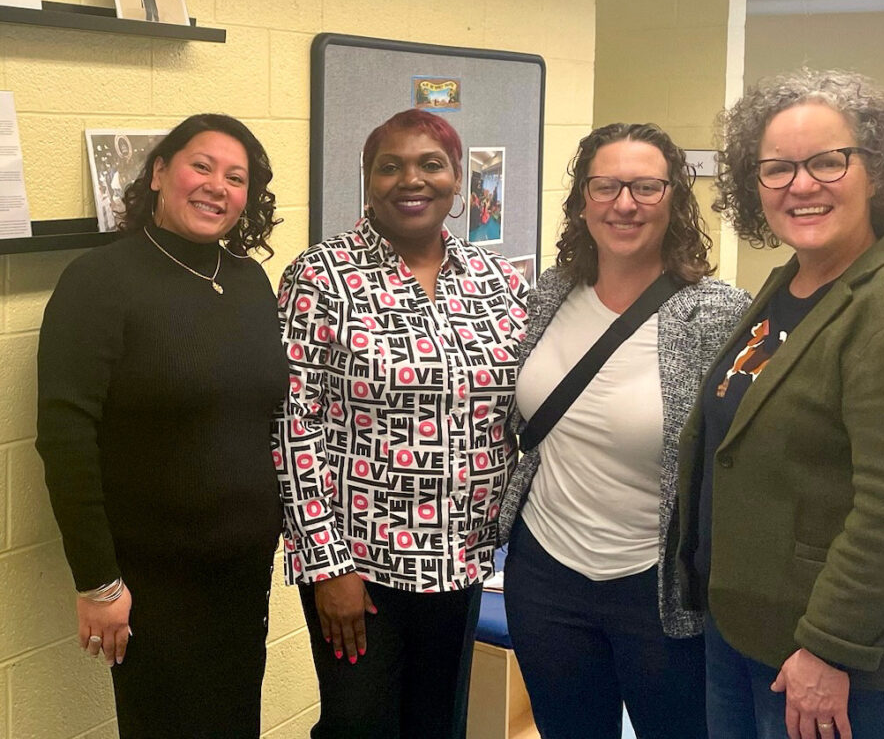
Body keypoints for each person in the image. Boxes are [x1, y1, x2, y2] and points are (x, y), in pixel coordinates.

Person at [677, 68, 884, 739]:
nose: (801, 185)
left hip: (853, 669)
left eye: (827, 162)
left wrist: (830, 646)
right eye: (777, 168)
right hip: (752, 639)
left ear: (878, 170)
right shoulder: (789, 289)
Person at [274, 108, 529, 739]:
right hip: (360, 566)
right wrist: (324, 564)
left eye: (430, 164)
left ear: (459, 179)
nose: (410, 180)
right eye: (390, 166)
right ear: (367, 179)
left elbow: (521, 408)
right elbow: (290, 424)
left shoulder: (497, 280)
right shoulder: (322, 276)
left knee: (438, 724)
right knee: (359, 724)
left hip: (464, 558)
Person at [35, 113, 286, 738]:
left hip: (243, 568)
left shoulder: (250, 281)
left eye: (236, 177)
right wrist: (98, 582)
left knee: (234, 723)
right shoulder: (99, 280)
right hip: (152, 579)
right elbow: (65, 436)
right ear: (158, 174)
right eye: (201, 166)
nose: (217, 187)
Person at [497, 122, 750, 739]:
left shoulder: (720, 314)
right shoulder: (551, 294)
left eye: (645, 187)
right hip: (545, 577)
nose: (625, 204)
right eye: (606, 186)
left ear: (675, 199)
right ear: (583, 200)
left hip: (658, 590)